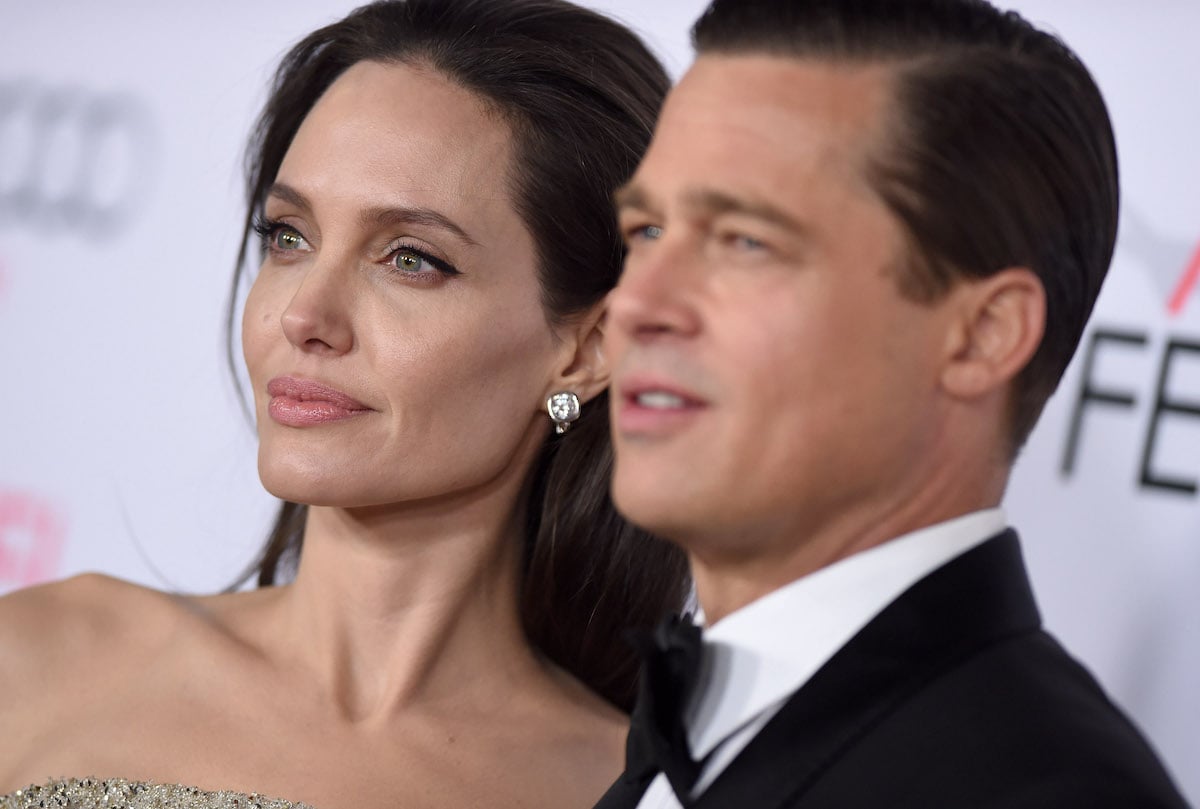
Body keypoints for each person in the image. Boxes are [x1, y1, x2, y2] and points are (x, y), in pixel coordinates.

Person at [0, 2, 688, 808]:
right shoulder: (41, 658)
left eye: (409, 258)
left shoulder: (626, 789)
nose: (304, 316)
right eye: (289, 236)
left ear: (586, 349)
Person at [595, 0, 1191, 807]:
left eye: (745, 241)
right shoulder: (675, 732)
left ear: (981, 336)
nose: (635, 304)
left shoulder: (1052, 792)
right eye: (646, 233)